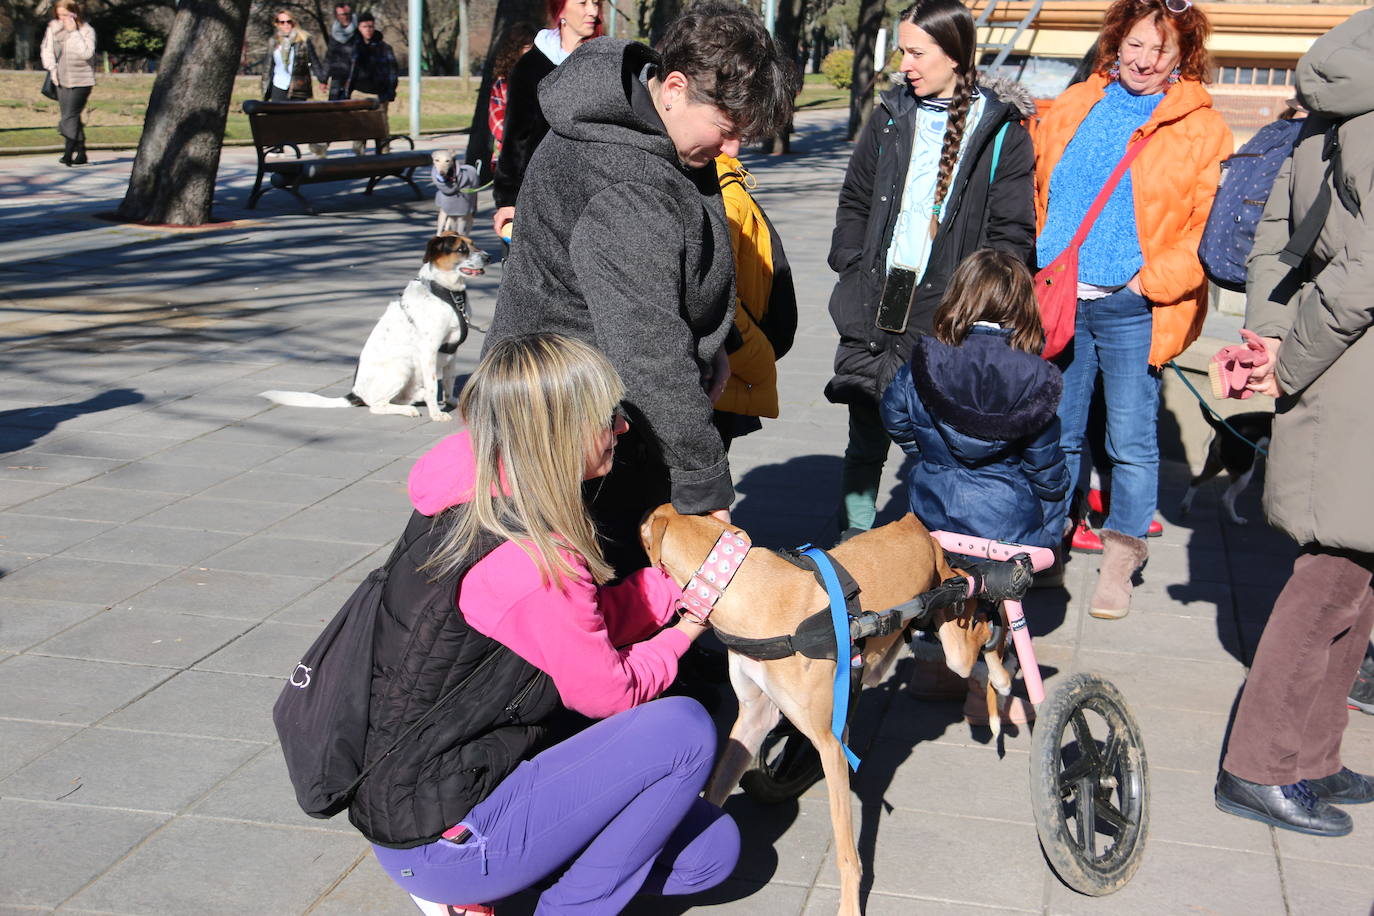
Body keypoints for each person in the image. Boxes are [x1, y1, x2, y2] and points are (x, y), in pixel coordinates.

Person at [355, 333, 739, 913]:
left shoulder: (478, 491)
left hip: (445, 775)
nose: (624, 428)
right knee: (683, 729)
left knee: (711, 851)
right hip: (440, 831)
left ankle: (497, 886)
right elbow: (610, 692)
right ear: (559, 432)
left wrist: (673, 589)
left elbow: (574, 625)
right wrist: (687, 629)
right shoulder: (530, 557)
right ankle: (531, 899)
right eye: (609, 416)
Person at [483, 2, 797, 575]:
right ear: (673, 87)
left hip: (607, 407)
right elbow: (647, 349)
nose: (732, 152)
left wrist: (717, 344)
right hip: (576, 426)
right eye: (726, 130)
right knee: (606, 586)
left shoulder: (649, 126)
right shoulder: (622, 182)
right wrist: (705, 486)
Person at [1214, 8, 1374, 838]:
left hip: (1339, 372)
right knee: (1330, 582)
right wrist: (1288, 357)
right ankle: (1260, 767)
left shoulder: (1332, 113)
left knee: (1358, 584)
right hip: (1353, 381)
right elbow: (1358, 278)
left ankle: (1312, 757)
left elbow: (1278, 234)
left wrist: (1273, 338)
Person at [1032, 0, 1231, 619]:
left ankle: (1120, 561)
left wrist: (1146, 285)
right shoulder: (1073, 105)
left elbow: (1205, 230)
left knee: (1131, 442)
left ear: (1183, 57)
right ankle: (1050, 548)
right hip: (1061, 297)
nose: (1143, 61)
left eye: (1160, 50)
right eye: (1135, 46)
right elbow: (1040, 188)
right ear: (1115, 43)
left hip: (1131, 305)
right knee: (1058, 437)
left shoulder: (1202, 128)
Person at [825, 0, 1037, 537]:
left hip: (949, 312)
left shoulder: (1002, 133)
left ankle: (930, 549)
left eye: (916, 52)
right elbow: (853, 201)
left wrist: (979, 307)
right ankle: (854, 544)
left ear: (956, 55)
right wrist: (853, 265)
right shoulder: (891, 117)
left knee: (938, 443)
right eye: (903, 51)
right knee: (865, 431)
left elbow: (1012, 236)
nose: (905, 65)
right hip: (879, 294)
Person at [880, 249, 1068, 553]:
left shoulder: (925, 360)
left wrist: (927, 453)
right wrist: (1054, 520)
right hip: (1009, 520)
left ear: (959, 296)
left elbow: (893, 414)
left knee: (941, 590)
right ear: (1023, 304)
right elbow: (1044, 465)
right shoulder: (1037, 376)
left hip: (932, 508)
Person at [490, 0, 602, 240]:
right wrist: (507, 200)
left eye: (597, 3)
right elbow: (516, 138)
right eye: (583, 3)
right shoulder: (531, 67)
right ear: (559, 8)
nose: (593, 11)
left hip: (599, 197)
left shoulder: (609, 62)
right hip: (543, 196)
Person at [712, 152, 798, 450]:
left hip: (727, 371)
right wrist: (757, 359)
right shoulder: (724, 194)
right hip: (723, 373)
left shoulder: (728, 179)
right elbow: (718, 297)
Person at [39, 0, 96, 168]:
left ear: (75, 13)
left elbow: (86, 53)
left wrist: (74, 32)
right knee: (70, 116)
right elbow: (47, 50)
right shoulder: (54, 29)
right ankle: (82, 151)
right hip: (61, 78)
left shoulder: (86, 30)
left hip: (82, 79)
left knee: (69, 116)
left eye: (65, 14)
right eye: (59, 14)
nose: (62, 18)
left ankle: (68, 152)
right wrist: (51, 68)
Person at [486, 22, 538, 169]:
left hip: (538, 159)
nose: (534, 53)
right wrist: (523, 141)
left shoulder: (544, 79)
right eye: (529, 48)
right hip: (509, 159)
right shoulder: (502, 84)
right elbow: (497, 122)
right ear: (515, 50)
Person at [261, 10, 325, 102]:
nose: (286, 25)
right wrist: (265, 89)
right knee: (278, 115)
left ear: (293, 22)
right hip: (278, 85)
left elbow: (314, 61)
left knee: (296, 115)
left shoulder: (303, 40)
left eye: (289, 21)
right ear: (277, 24)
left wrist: (322, 80)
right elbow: (267, 67)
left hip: (298, 86)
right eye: (282, 22)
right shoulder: (274, 41)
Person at [324, 3, 359, 101]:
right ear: (337, 16)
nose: (345, 17)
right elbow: (329, 57)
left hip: (354, 77)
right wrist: (324, 79)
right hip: (337, 77)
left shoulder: (359, 33)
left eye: (347, 14)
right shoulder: (334, 34)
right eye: (342, 14)